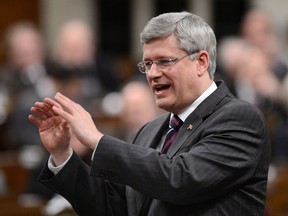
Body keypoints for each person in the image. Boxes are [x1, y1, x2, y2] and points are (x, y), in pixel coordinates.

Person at [29, 11, 270, 216]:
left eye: (164, 61)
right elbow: (111, 208)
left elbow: (179, 180)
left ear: (201, 62)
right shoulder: (150, 130)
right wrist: (63, 154)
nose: (153, 73)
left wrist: (96, 139)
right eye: (147, 64)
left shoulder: (239, 118)